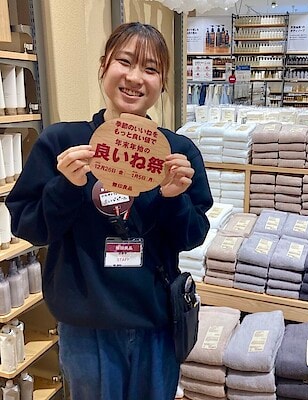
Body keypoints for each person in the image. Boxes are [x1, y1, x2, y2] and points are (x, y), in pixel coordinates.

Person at [6, 22, 213, 400]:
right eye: (125, 61)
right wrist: (66, 187)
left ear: (162, 83)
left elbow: (193, 236)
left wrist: (173, 199)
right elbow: (28, 226)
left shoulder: (176, 153)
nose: (135, 77)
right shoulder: (63, 142)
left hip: (155, 322)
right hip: (85, 326)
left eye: (150, 69)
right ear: (103, 66)